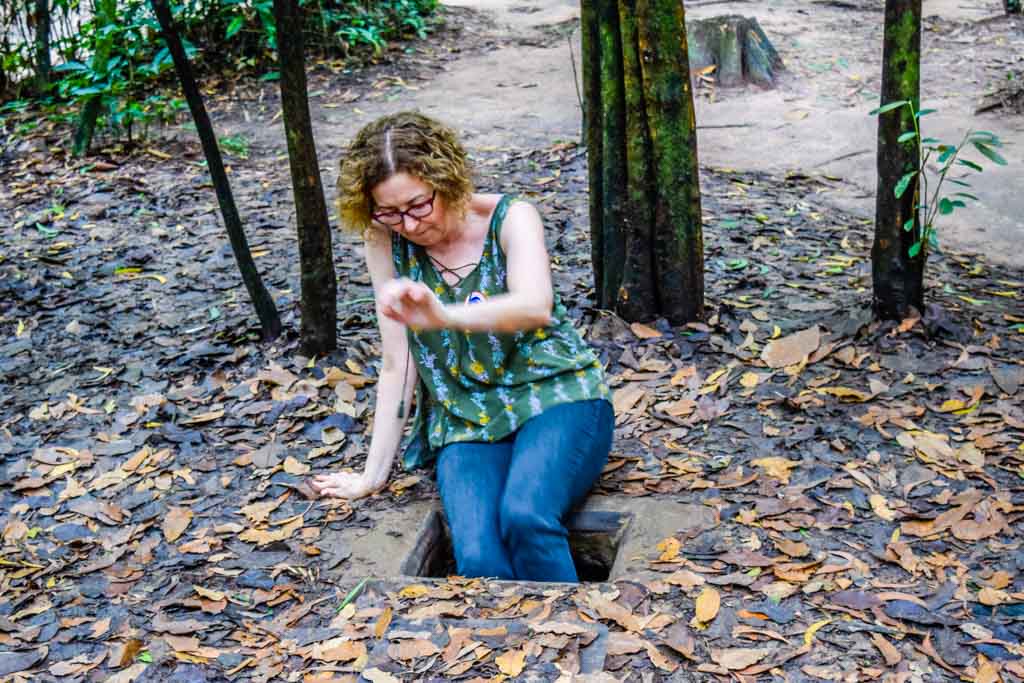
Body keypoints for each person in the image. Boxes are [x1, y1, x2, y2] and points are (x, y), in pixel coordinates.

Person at [310, 111, 614, 582]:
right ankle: (505, 649)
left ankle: (572, 638)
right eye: (389, 211)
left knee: (526, 517)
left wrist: (444, 316)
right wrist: (373, 474)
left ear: (446, 181)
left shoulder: (510, 218)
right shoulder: (385, 238)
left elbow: (535, 305)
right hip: (465, 415)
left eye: (417, 205)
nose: (407, 224)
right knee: (478, 555)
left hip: (555, 397)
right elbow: (399, 361)